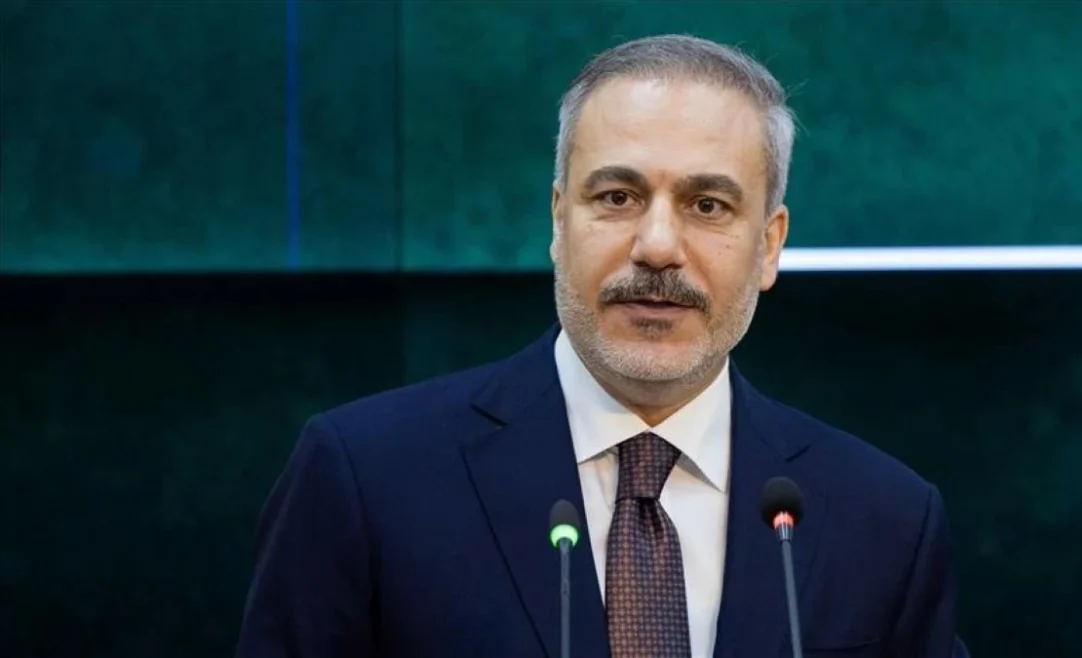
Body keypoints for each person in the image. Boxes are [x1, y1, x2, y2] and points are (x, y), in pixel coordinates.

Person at [235, 34, 961, 658]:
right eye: (618, 197)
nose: (657, 246)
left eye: (708, 205)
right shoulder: (366, 478)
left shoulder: (885, 520)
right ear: (558, 221)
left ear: (769, 246)